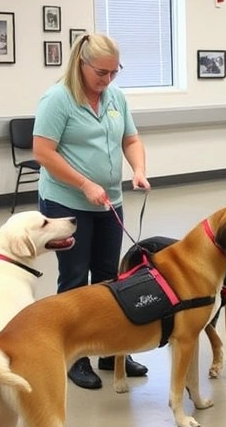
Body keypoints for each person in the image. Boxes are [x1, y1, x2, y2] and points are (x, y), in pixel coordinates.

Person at [32, 33, 151, 390]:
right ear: (81, 64)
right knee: (74, 279)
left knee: (108, 279)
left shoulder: (115, 98)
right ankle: (74, 355)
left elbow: (130, 139)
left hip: (109, 202)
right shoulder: (58, 99)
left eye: (115, 72)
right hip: (67, 203)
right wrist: (84, 183)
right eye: (102, 72)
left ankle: (111, 351)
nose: (108, 79)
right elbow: (43, 152)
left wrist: (139, 169)